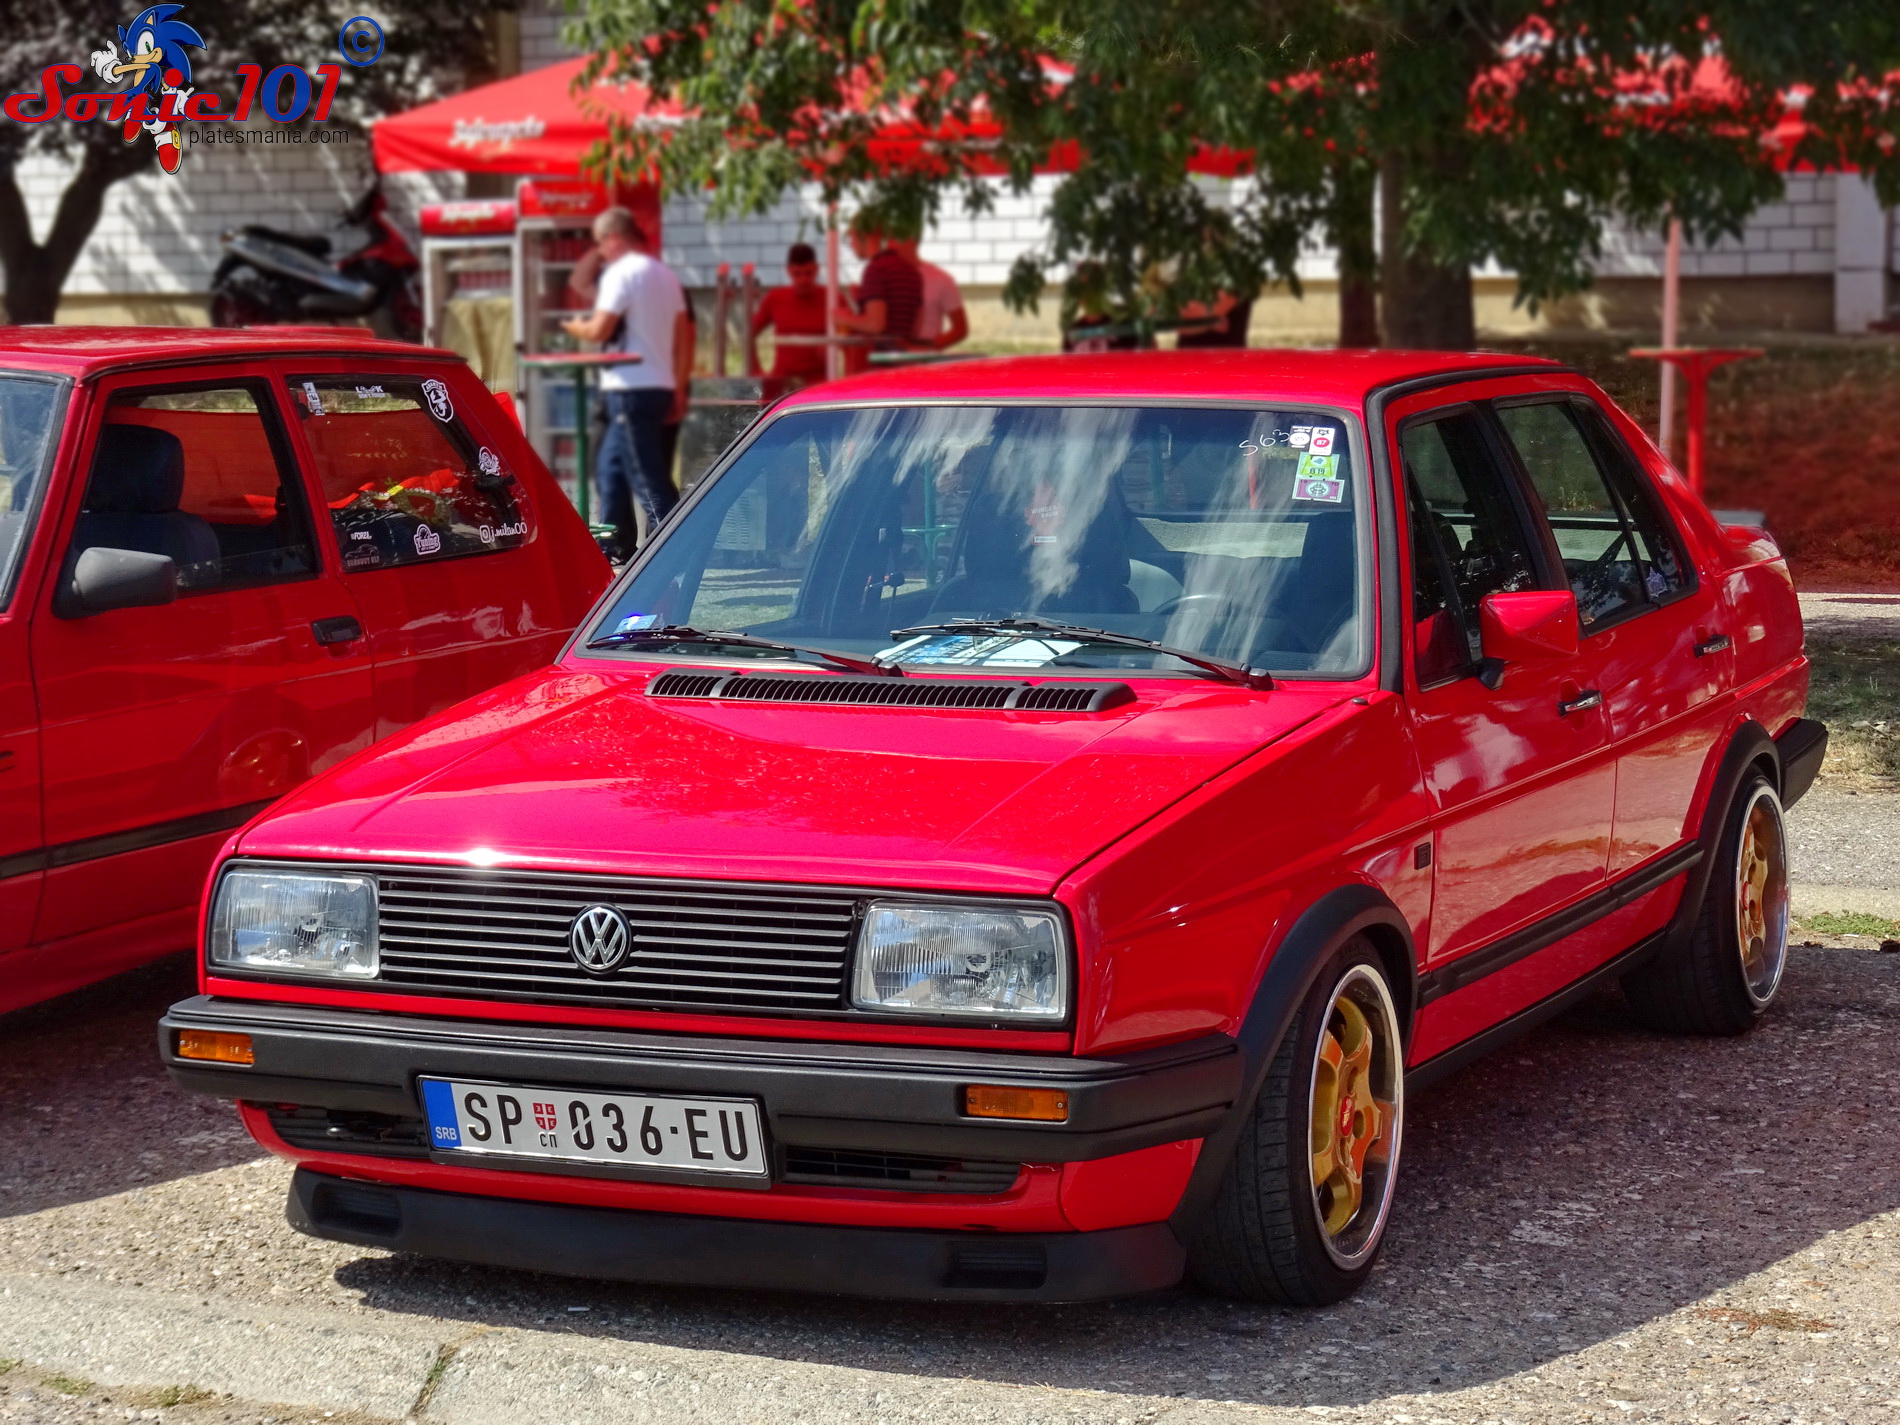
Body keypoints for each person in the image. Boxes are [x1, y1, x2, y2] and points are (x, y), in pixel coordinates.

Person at [562, 208, 692, 559]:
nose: (600, 252)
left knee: (646, 479)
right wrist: (678, 387)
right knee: (611, 467)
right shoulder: (662, 275)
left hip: (631, 388)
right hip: (655, 385)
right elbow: (682, 334)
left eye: (602, 243)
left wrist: (576, 327)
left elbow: (600, 328)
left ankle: (673, 551)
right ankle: (608, 546)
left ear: (614, 239)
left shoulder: (621, 274)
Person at [834, 223, 922, 374]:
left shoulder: (876, 269)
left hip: (880, 367)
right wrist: (863, 301)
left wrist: (843, 319)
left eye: (851, 238)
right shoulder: (911, 271)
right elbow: (915, 325)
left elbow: (876, 324)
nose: (851, 245)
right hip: (905, 363)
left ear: (863, 236)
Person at [749, 243, 829, 401]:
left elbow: (853, 338)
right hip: (781, 385)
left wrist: (833, 345)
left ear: (816, 269)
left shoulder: (831, 297)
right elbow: (749, 332)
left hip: (818, 384)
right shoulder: (776, 298)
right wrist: (756, 369)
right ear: (789, 271)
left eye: (808, 273)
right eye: (797, 274)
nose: (803, 279)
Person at [889, 236, 968, 351]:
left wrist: (926, 346)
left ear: (912, 241)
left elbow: (960, 329)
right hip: (889, 359)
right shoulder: (883, 276)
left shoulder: (941, 279)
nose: (890, 245)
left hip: (925, 361)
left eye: (895, 239)